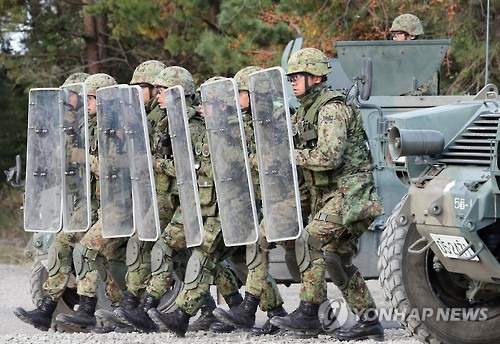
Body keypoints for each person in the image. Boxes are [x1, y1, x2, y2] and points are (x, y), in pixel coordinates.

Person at [268, 47, 384, 341]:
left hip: (351, 196)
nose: (293, 81)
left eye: (298, 76)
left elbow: (329, 157)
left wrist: (289, 156)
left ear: (316, 77)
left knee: (311, 239)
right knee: (337, 260)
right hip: (333, 197)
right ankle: (369, 322)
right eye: (291, 76)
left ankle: (309, 313)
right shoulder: (305, 110)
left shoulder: (331, 109)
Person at [114, 68, 242, 334]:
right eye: (158, 91)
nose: (159, 96)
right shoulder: (170, 122)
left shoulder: (193, 127)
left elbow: (195, 168)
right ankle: (236, 307)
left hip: (204, 203)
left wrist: (158, 164)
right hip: (190, 201)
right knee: (193, 257)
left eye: (164, 91)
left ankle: (150, 309)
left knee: (192, 255)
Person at [91, 60, 168, 333]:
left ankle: (137, 308)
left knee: (156, 251)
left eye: (142, 89)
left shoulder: (163, 117)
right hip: (137, 196)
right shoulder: (139, 116)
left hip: (162, 198)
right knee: (119, 251)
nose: (137, 94)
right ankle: (124, 310)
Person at [13, 72, 93, 332]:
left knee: (87, 249)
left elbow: (100, 160)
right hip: (78, 198)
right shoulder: (71, 124)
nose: (67, 101)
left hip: (99, 200)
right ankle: (47, 310)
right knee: (62, 244)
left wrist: (79, 156)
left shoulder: (98, 124)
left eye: (71, 96)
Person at [54, 73, 130, 332]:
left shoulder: (119, 127)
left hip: (121, 203)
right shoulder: (93, 125)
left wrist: (82, 157)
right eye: (84, 97)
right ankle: (119, 312)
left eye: (91, 98)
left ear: (106, 100)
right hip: (99, 203)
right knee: (104, 256)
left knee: (86, 250)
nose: (86, 102)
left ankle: (87, 309)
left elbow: (116, 169)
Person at [390, 13, 438, 95]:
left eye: (398, 34)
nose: (394, 38)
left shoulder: (425, 61)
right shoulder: (393, 58)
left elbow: (427, 93)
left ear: (411, 35)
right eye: (393, 35)